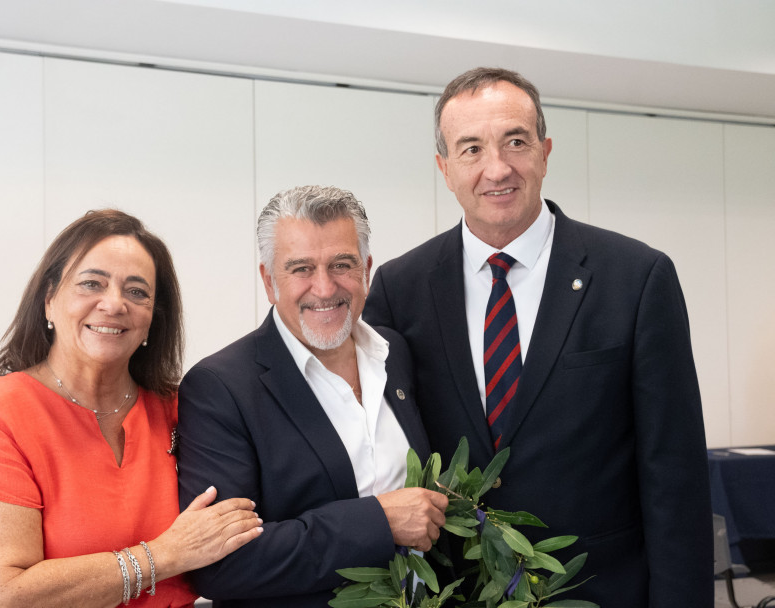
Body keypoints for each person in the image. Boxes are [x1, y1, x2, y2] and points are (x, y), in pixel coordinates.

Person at [362, 68, 714, 608]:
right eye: (471, 148)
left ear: (545, 153)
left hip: (602, 591)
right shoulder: (398, 287)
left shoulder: (637, 278)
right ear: (445, 168)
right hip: (458, 594)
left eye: (516, 142)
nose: (496, 168)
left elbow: (675, 475)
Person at [0, 209, 263, 608]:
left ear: (153, 319)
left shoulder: (182, 408)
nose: (114, 304)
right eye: (91, 284)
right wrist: (165, 555)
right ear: (49, 301)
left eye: (137, 291)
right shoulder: (2, 415)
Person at [176, 186, 448, 608]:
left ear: (366, 272)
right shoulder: (220, 387)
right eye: (301, 268)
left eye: (341, 264)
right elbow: (222, 564)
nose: (324, 288)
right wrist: (380, 521)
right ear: (269, 281)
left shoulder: (395, 354)